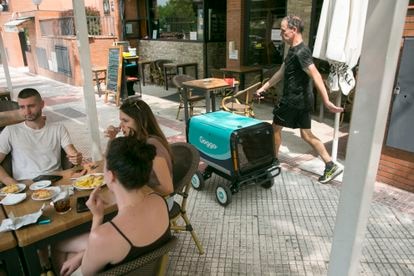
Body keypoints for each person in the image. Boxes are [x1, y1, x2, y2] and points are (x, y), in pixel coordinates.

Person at [53, 137, 171, 276]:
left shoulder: (102, 236)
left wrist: (97, 217)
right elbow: (103, 245)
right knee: (73, 251)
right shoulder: (159, 201)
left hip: (108, 257)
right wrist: (82, 255)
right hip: (149, 269)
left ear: (110, 176)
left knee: (56, 246)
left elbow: (87, 272)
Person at [256, 15, 344, 183]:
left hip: (292, 101)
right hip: (302, 101)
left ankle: (272, 162)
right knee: (307, 135)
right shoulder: (294, 49)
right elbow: (281, 72)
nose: (281, 35)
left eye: (283, 31)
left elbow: (316, 75)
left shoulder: (301, 52)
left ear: (293, 30)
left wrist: (326, 101)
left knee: (275, 129)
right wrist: (263, 87)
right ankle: (330, 165)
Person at [0, 88, 83, 185]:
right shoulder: (10, 130)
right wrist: (10, 182)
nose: (27, 112)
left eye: (31, 106)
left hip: (56, 180)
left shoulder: (58, 128)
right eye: (22, 107)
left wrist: (76, 158)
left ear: (42, 104)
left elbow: (72, 153)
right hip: (25, 185)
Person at [104, 98, 173, 199]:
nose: (121, 126)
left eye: (125, 121)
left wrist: (135, 190)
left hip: (160, 201)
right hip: (144, 196)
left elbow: (168, 189)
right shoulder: (135, 140)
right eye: (121, 120)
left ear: (140, 121)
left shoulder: (152, 146)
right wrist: (112, 139)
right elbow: (109, 163)